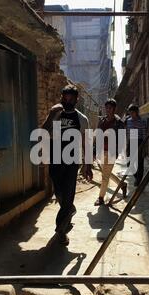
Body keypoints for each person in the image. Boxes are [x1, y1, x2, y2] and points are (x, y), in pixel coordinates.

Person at [42, 85, 93, 245]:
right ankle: (69, 209)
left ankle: (61, 231)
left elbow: (87, 142)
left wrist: (87, 165)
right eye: (65, 97)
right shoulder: (56, 115)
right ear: (62, 97)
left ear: (77, 99)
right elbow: (43, 131)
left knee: (68, 194)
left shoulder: (81, 119)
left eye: (71, 97)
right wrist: (51, 114)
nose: (68, 100)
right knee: (59, 194)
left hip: (72, 162)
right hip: (56, 160)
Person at [94, 99, 127, 206]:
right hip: (101, 151)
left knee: (104, 177)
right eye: (106, 108)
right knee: (106, 173)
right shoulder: (102, 121)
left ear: (114, 109)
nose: (108, 110)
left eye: (110, 108)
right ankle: (122, 185)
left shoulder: (119, 123)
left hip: (111, 152)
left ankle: (101, 198)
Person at [125, 104, 148, 187]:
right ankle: (136, 176)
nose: (131, 114)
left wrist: (144, 146)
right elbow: (127, 133)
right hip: (131, 141)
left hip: (139, 141)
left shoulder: (142, 121)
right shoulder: (128, 121)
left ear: (136, 112)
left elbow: (144, 134)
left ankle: (138, 180)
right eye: (130, 113)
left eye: (133, 113)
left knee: (140, 162)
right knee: (130, 163)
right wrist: (127, 145)